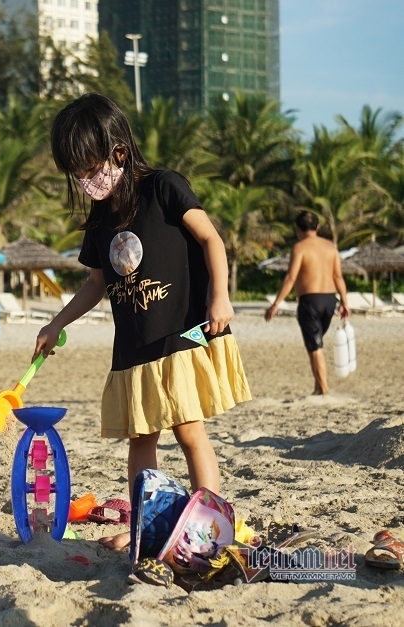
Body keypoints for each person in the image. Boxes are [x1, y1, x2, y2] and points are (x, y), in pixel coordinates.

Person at [34, 93, 251, 550]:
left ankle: (210, 525)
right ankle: (145, 529)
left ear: (118, 152)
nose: (87, 181)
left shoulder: (163, 187)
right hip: (134, 345)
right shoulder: (99, 221)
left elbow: (211, 238)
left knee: (190, 431)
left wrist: (221, 296)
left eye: (91, 170)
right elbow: (96, 283)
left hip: (181, 332)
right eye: (78, 174)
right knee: (140, 438)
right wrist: (56, 323)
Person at [265, 211, 350, 395]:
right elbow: (338, 276)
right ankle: (318, 388)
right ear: (317, 227)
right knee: (315, 344)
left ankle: (324, 390)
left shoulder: (299, 247)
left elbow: (290, 278)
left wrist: (276, 304)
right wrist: (345, 302)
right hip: (330, 300)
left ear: (297, 229)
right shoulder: (331, 247)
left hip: (310, 301)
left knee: (315, 346)